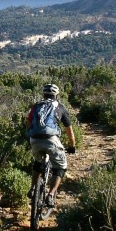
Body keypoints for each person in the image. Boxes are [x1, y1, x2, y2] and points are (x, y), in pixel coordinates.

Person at [26, 83, 76, 214]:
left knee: (38, 162)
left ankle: (32, 189)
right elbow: (69, 131)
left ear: (43, 94)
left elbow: (28, 123)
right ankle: (51, 195)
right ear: (57, 95)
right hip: (51, 139)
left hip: (34, 139)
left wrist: (30, 138)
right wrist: (72, 146)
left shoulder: (36, 106)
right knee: (60, 167)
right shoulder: (60, 107)